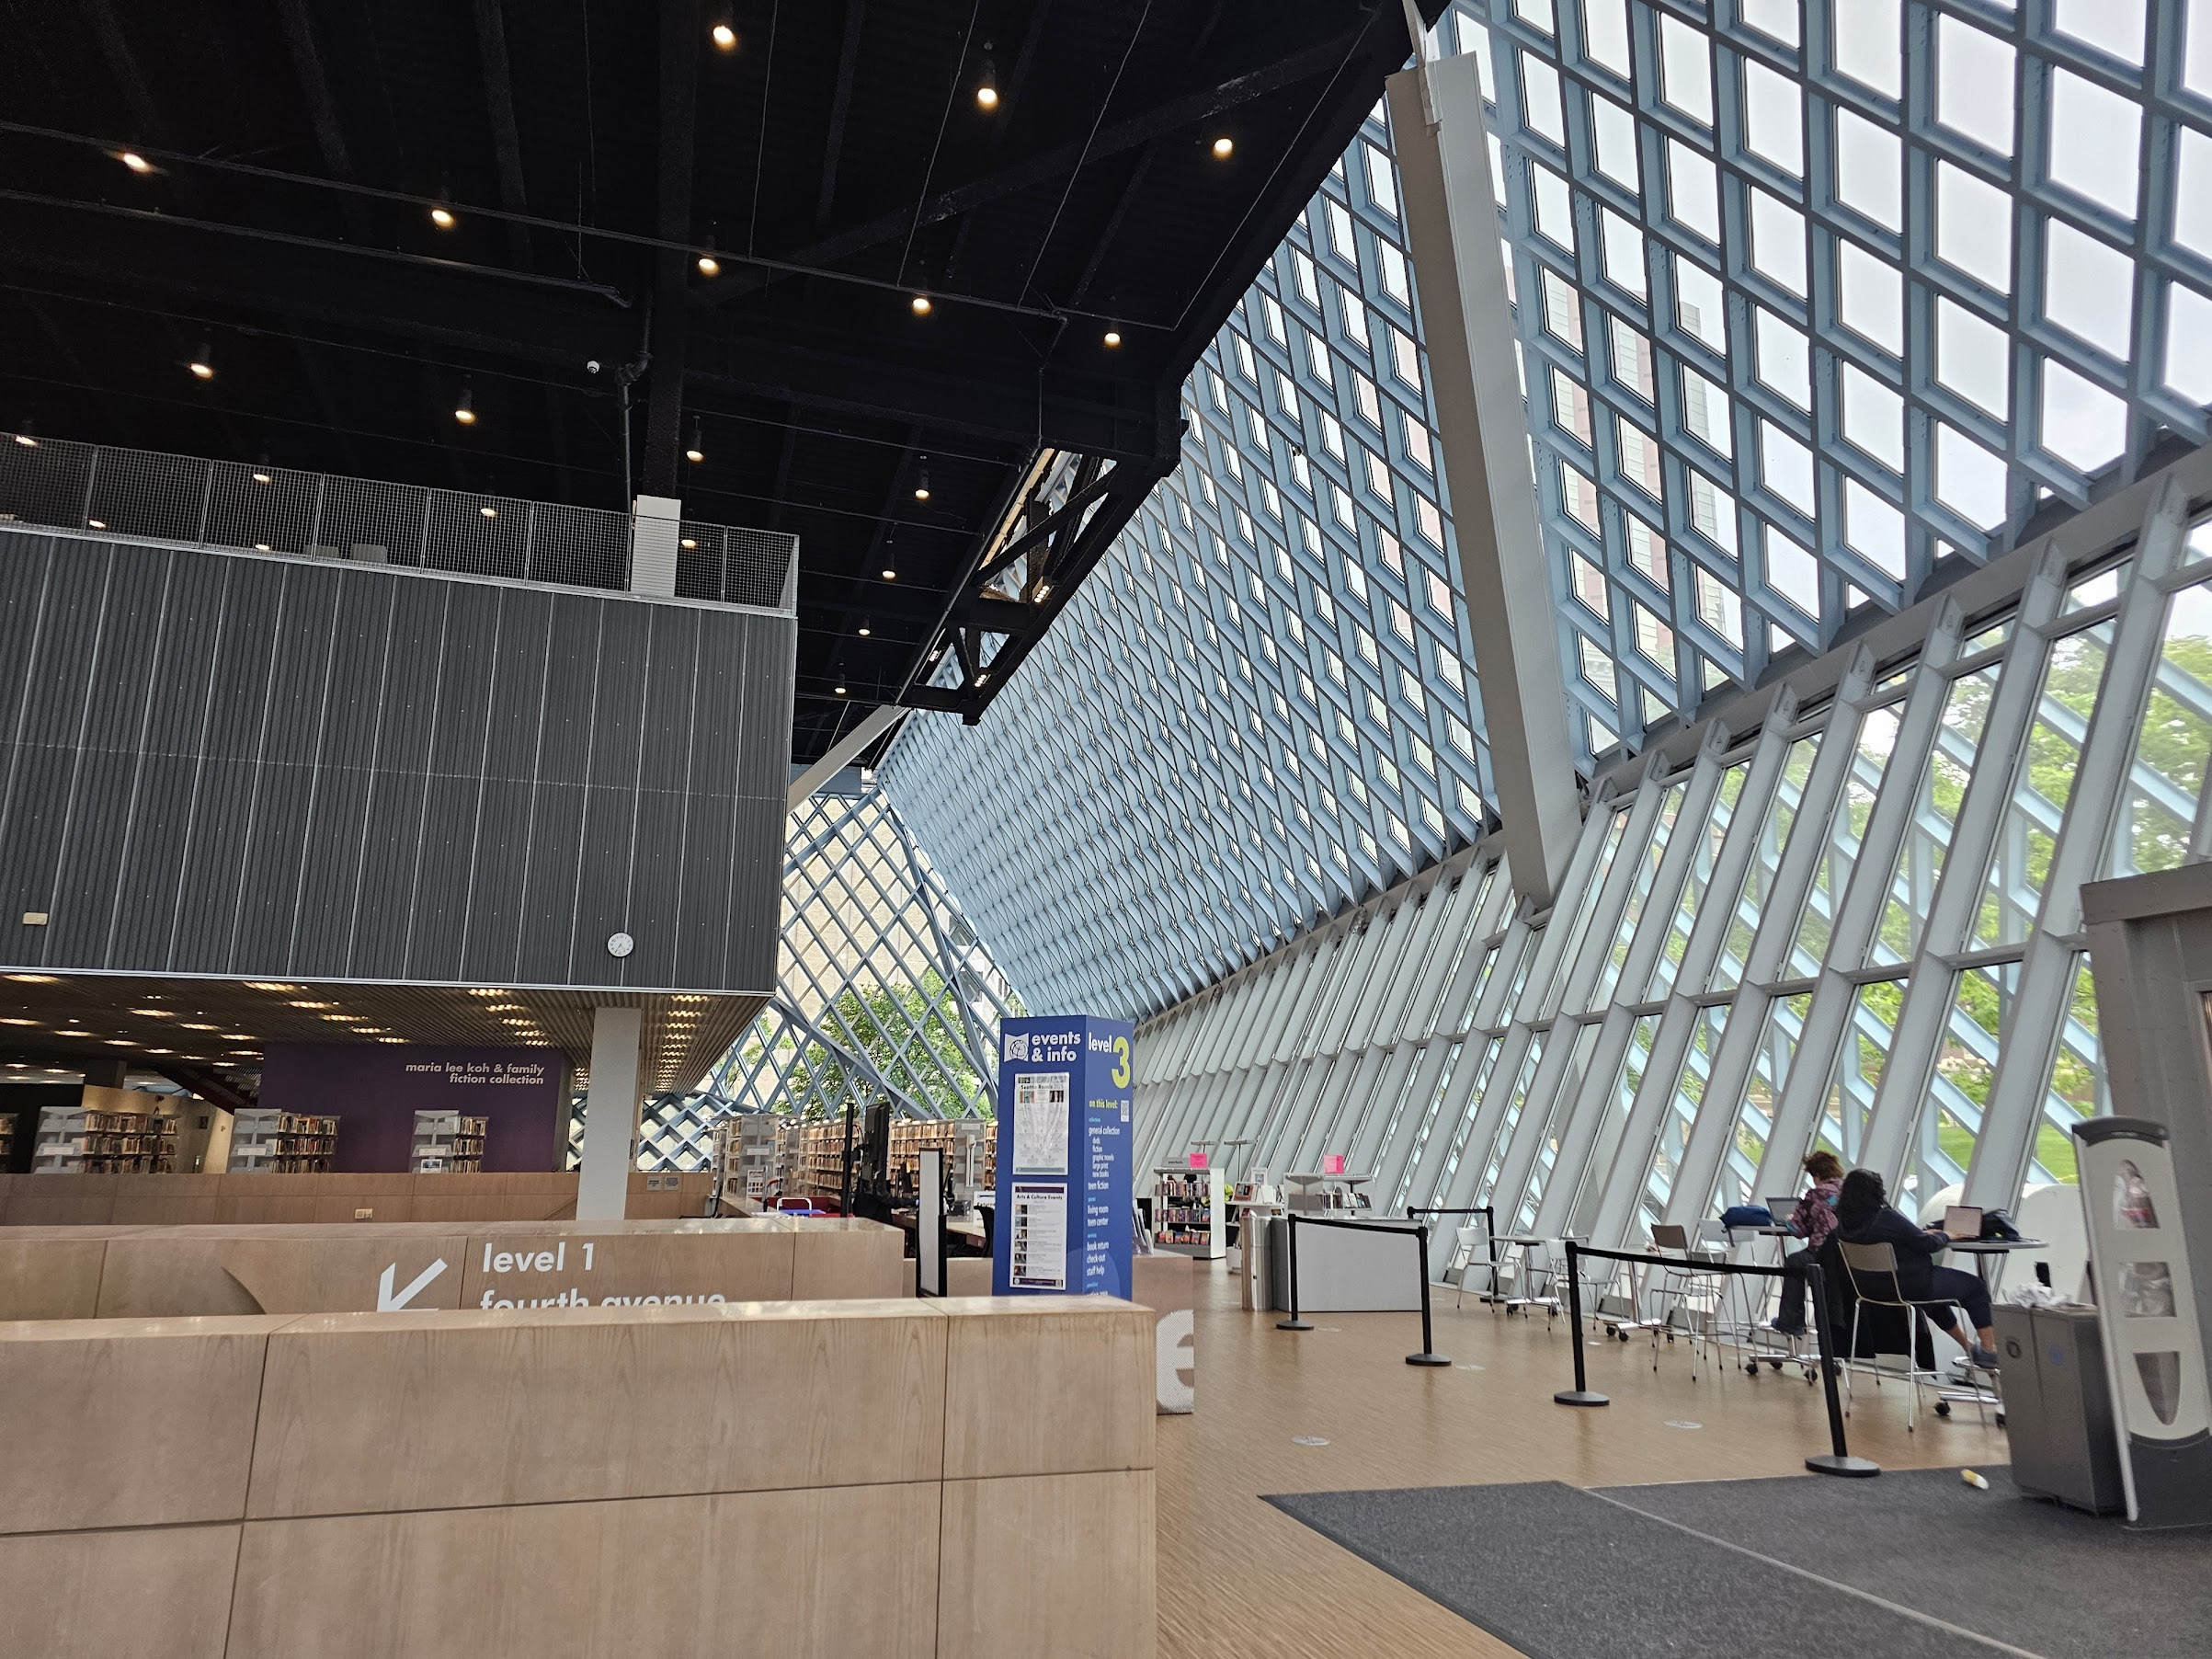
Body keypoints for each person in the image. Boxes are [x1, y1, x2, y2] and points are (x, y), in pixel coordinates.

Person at [1831, 1167, 2001, 1369]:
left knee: (1934, 1301)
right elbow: (1928, 1244)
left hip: (1870, 1290)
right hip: (1910, 1285)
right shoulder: (1886, 1217)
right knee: (1976, 1288)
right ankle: (1989, 1351)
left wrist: (1924, 1236)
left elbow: (1908, 1238)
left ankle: (1969, 1347)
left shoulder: (1843, 1224)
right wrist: (1947, 1235)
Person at [1765, 1150, 1844, 1336]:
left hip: (1823, 1256)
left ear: (1816, 1174)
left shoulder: (1817, 1194)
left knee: (1794, 1262)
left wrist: (1788, 1220)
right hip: (1848, 1257)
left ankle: (1791, 1322)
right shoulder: (1849, 1190)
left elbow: (1798, 1230)